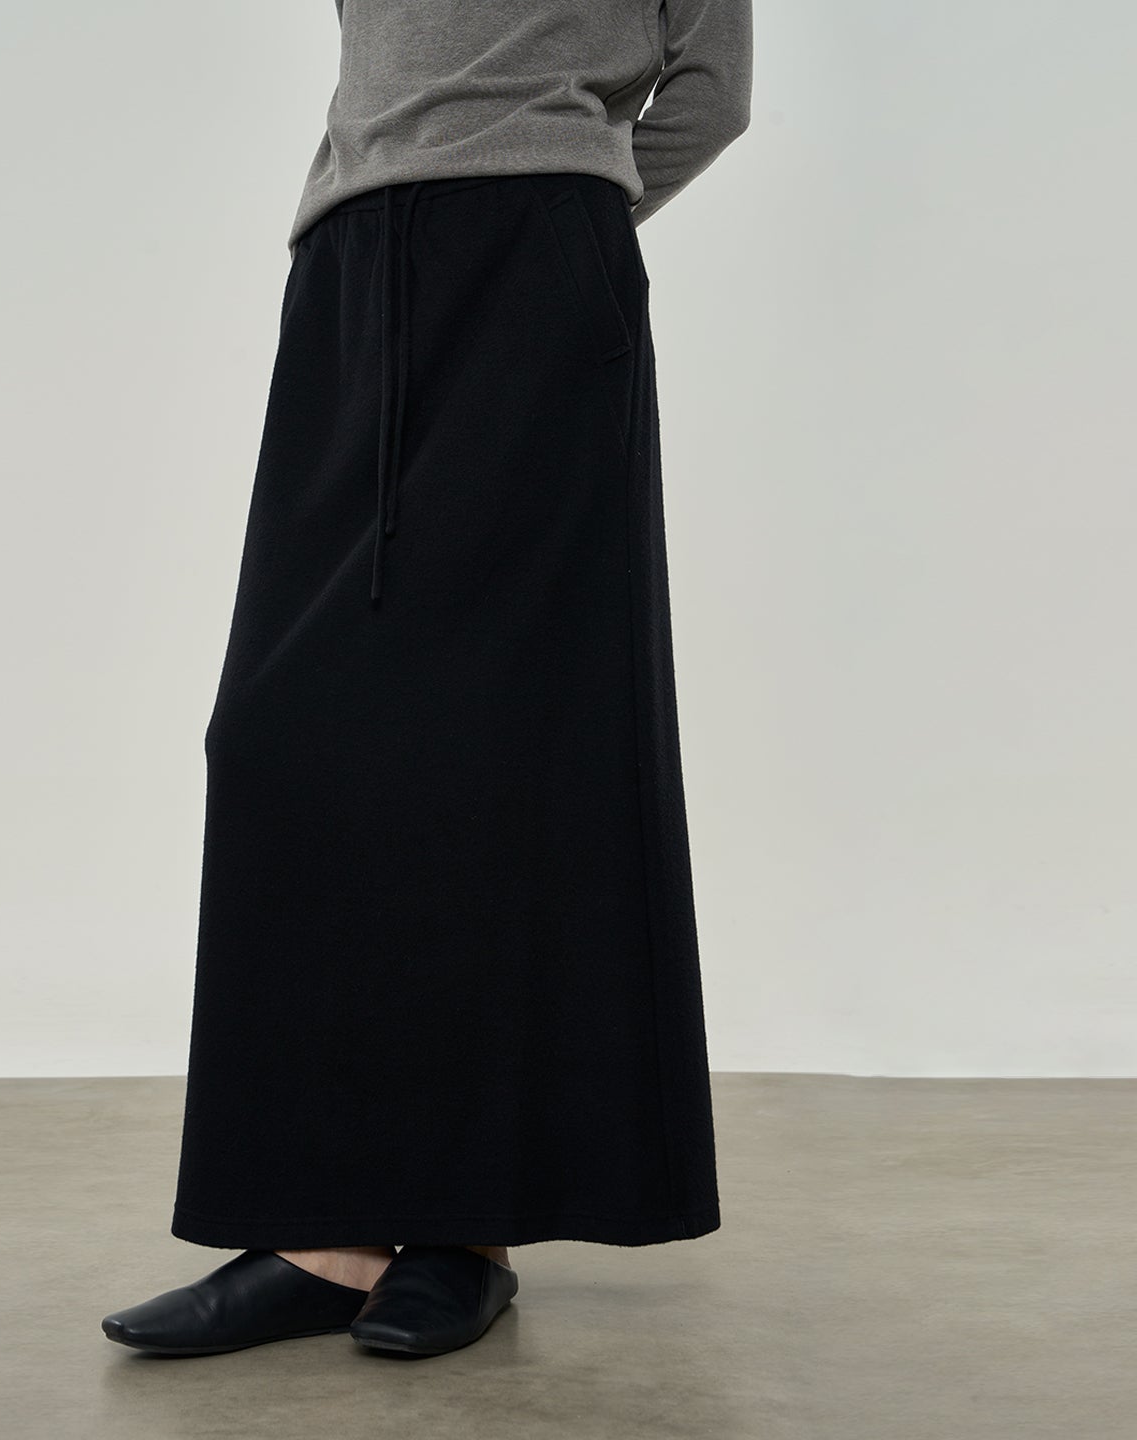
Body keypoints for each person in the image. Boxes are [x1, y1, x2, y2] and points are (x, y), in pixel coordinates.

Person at [102, 0, 753, 1360]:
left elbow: (712, 88)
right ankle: (328, 1236)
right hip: (347, 263)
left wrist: (565, 207)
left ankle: (466, 1230)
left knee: (500, 743)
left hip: (536, 258)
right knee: (280, 737)